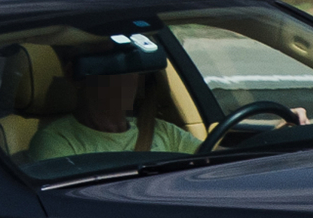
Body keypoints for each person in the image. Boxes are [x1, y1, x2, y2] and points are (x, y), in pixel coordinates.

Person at [27, 59, 200, 165]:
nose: (124, 76)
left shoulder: (164, 131)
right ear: (75, 75)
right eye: (110, 65)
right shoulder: (56, 142)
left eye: (130, 64)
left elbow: (214, 160)